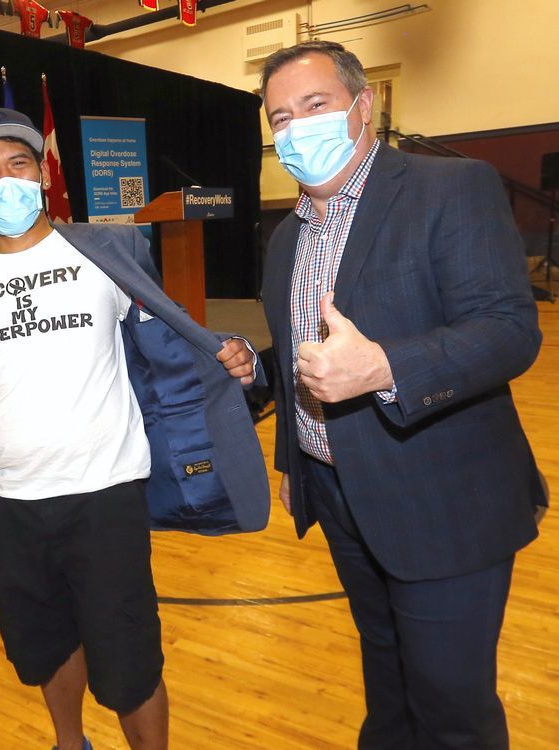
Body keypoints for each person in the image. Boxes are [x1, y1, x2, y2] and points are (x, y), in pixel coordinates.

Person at [0, 107, 270, 750]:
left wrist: (233, 355)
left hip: (104, 494)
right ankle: (69, 743)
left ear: (42, 171)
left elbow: (167, 343)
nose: (5, 182)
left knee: (130, 661)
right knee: (44, 644)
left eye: (18, 165)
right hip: (7, 502)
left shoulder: (113, 251)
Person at [259, 41, 544, 749]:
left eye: (314, 106)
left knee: (451, 710)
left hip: (443, 500)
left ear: (364, 106)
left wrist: (385, 367)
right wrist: (295, 463)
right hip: (340, 497)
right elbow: (304, 360)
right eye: (280, 117)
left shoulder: (452, 188)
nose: (296, 129)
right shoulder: (283, 237)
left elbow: (509, 331)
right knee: (386, 684)